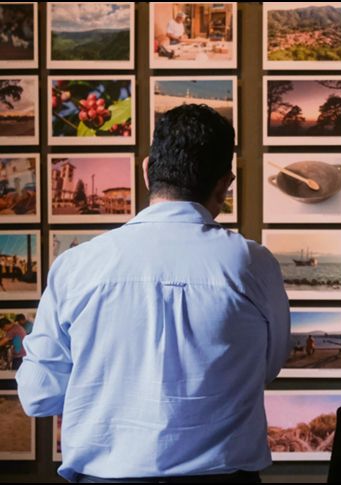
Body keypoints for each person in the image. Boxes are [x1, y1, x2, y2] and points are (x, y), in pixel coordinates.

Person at [17, 104, 290, 483]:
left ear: (146, 171)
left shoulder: (77, 265)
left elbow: (39, 394)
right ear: (225, 183)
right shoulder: (253, 264)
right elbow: (269, 366)